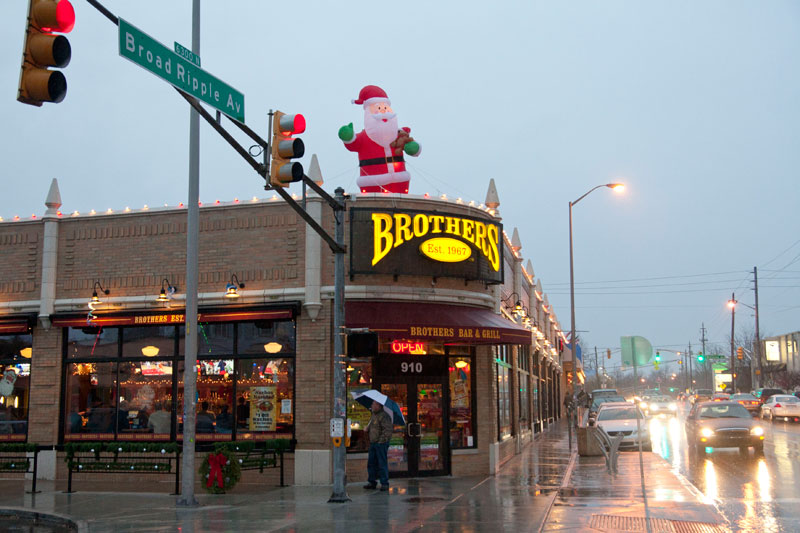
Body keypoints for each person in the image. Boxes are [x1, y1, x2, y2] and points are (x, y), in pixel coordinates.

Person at [339, 85, 421, 194]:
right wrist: (349, 137)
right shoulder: (364, 138)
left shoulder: (400, 135)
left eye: (385, 108)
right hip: (372, 182)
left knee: (401, 202)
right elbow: (353, 144)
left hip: (400, 180)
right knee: (372, 205)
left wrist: (413, 147)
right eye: (378, 108)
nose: (383, 112)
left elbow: (411, 148)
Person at [363, 400, 393, 492]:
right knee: (371, 463)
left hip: (381, 444)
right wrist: (367, 428)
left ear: (378, 405)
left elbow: (387, 431)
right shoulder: (373, 416)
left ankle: (384, 483)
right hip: (373, 443)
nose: (372, 405)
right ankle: (372, 481)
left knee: (381, 463)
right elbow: (373, 428)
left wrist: (381, 441)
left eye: (373, 404)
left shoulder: (384, 416)